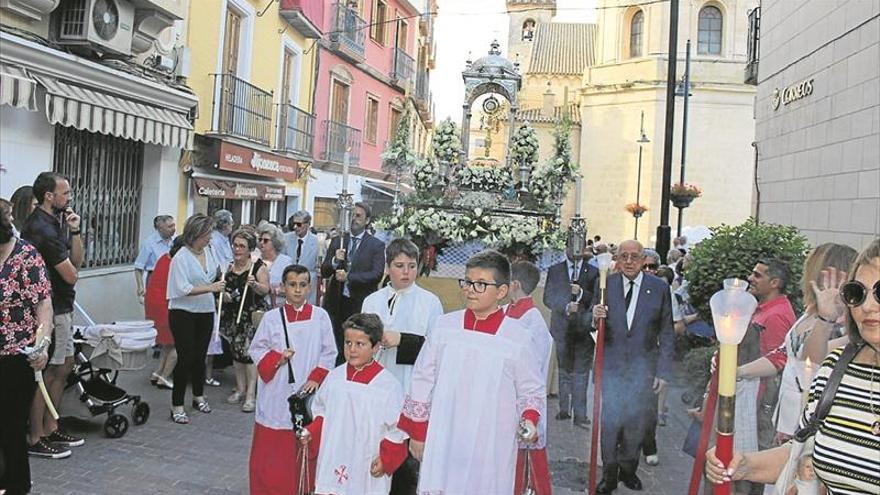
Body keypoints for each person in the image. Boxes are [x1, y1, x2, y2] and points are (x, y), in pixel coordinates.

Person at [706, 239, 880, 494]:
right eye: (857, 293)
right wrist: (746, 465)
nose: (866, 306)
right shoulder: (836, 368)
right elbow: (803, 454)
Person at [398, 250, 545, 494]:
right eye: (467, 282)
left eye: (480, 284)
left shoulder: (518, 338)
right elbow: (423, 379)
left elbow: (531, 389)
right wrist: (418, 433)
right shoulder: (444, 327)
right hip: (445, 435)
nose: (469, 290)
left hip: (492, 442)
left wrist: (529, 418)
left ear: (501, 291)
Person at [737, 244, 857, 444]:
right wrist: (737, 372)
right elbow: (784, 355)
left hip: (810, 429)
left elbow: (813, 359)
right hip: (785, 422)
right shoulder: (810, 313)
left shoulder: (845, 324)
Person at [590, 240, 674, 493]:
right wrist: (594, 317)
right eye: (623, 256)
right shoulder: (605, 285)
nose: (628, 261)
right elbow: (590, 323)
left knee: (636, 425)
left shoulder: (658, 288)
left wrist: (663, 371)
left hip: (643, 369)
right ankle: (609, 474)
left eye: (634, 257)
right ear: (616, 259)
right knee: (611, 422)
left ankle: (628, 469)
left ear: (643, 259)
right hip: (612, 367)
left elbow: (667, 331)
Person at [361, 238, 444, 495]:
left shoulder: (430, 303)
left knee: (404, 467)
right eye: (399, 265)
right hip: (376, 388)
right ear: (388, 267)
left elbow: (437, 352)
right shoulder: (372, 301)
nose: (406, 272)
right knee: (372, 454)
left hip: (409, 388)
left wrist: (402, 340)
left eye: (411, 265)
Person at [248, 264, 337, 495]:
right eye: (292, 285)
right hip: (276, 394)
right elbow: (256, 350)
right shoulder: (271, 318)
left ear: (310, 287)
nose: (297, 290)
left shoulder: (321, 317)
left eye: (303, 285)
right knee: (272, 454)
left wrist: (317, 377)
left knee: (303, 443)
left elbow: (329, 352)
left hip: (307, 393)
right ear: (282, 287)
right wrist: (277, 358)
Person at [300, 313, 409, 495]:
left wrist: (386, 458)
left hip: (366, 462)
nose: (352, 349)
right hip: (333, 455)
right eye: (348, 343)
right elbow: (322, 413)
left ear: (375, 347)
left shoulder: (388, 386)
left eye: (360, 344)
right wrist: (312, 432)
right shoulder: (334, 378)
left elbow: (398, 428)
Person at [22, 171, 85, 458]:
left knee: (65, 365)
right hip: (52, 306)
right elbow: (71, 274)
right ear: (49, 196)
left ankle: (51, 425)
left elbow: (77, 261)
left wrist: (75, 231)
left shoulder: (55, 223)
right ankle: (36, 435)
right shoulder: (42, 229)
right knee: (47, 372)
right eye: (66, 193)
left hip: (62, 304)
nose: (69, 198)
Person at [0, 198, 54, 493]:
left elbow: (44, 305)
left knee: (10, 425)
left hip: (16, 356)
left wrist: (42, 345)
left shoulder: (26, 256)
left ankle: (17, 486)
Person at [166, 213, 225, 424]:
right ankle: (177, 404)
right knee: (186, 357)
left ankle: (198, 395)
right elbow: (181, 289)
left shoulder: (209, 251)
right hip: (183, 312)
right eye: (207, 234)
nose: (210, 238)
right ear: (196, 234)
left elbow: (216, 274)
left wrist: (221, 287)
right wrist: (211, 287)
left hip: (205, 310)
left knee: (201, 356)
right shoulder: (181, 257)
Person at [506, 260, 554, 495]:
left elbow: (533, 368)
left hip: (521, 402)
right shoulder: (507, 311)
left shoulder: (533, 321)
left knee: (523, 466)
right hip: (502, 400)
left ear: (514, 284)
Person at [544, 236, 599, 427]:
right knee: (564, 370)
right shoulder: (555, 270)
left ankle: (581, 414)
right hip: (562, 329)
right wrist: (566, 306)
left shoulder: (593, 272)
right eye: (571, 246)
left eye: (579, 246)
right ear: (566, 247)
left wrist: (582, 295)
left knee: (581, 373)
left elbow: (597, 298)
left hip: (583, 331)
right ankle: (564, 409)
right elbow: (548, 297)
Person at [320, 202, 385, 363]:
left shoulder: (375, 245)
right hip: (336, 302)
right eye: (352, 215)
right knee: (334, 341)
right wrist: (335, 261)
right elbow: (325, 271)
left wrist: (349, 277)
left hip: (358, 302)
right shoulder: (338, 241)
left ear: (367, 220)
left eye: (358, 216)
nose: (354, 219)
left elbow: (376, 274)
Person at [746, 257, 797, 448]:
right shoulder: (765, 309)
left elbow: (777, 362)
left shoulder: (777, 315)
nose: (750, 278)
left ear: (775, 283)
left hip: (761, 403)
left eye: (757, 275)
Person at [219, 229, 270, 413]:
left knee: (249, 356)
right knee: (236, 354)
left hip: (251, 316)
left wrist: (254, 284)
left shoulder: (257, 267)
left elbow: (265, 290)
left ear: (250, 249)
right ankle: (240, 388)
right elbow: (221, 288)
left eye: (242, 246)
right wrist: (222, 295)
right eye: (235, 245)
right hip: (233, 316)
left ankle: (250, 394)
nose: (237, 249)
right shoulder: (229, 267)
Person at [145, 237, 184, 390]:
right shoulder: (177, 263)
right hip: (166, 305)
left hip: (154, 304)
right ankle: (165, 377)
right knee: (179, 344)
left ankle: (157, 373)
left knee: (167, 343)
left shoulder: (164, 258)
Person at [134, 215, 176, 302]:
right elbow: (139, 267)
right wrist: (140, 287)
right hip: (155, 278)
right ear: (160, 228)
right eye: (170, 226)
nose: (173, 229)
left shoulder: (175, 241)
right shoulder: (149, 243)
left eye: (173, 225)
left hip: (173, 277)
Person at [284, 211, 320, 305]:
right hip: (289, 287)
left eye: (299, 224)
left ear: (308, 225)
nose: (295, 227)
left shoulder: (317, 242)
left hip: (309, 289)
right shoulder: (286, 239)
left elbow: (319, 265)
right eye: (294, 224)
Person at [257, 222, 293, 309]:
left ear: (275, 242)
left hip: (278, 306)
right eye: (260, 239)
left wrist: (277, 290)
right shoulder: (255, 259)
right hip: (257, 306)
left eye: (265, 240)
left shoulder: (286, 261)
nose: (262, 243)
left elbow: (291, 288)